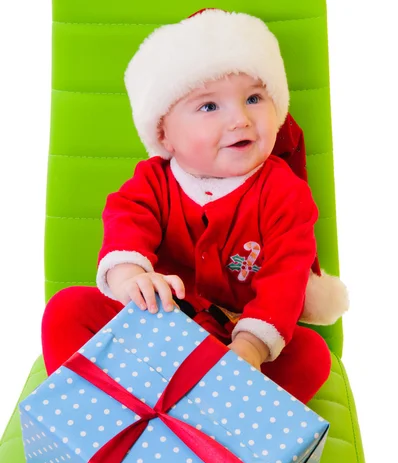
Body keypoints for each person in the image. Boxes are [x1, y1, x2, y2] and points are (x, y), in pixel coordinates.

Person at [41, 8, 349, 404]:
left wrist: (250, 350)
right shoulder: (153, 180)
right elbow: (126, 222)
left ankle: (207, 431)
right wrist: (131, 276)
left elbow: (285, 279)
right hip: (155, 329)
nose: (240, 119)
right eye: (209, 107)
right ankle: (106, 418)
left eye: (255, 98)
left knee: (309, 356)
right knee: (67, 310)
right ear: (164, 133)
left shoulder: (284, 193)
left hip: (234, 343)